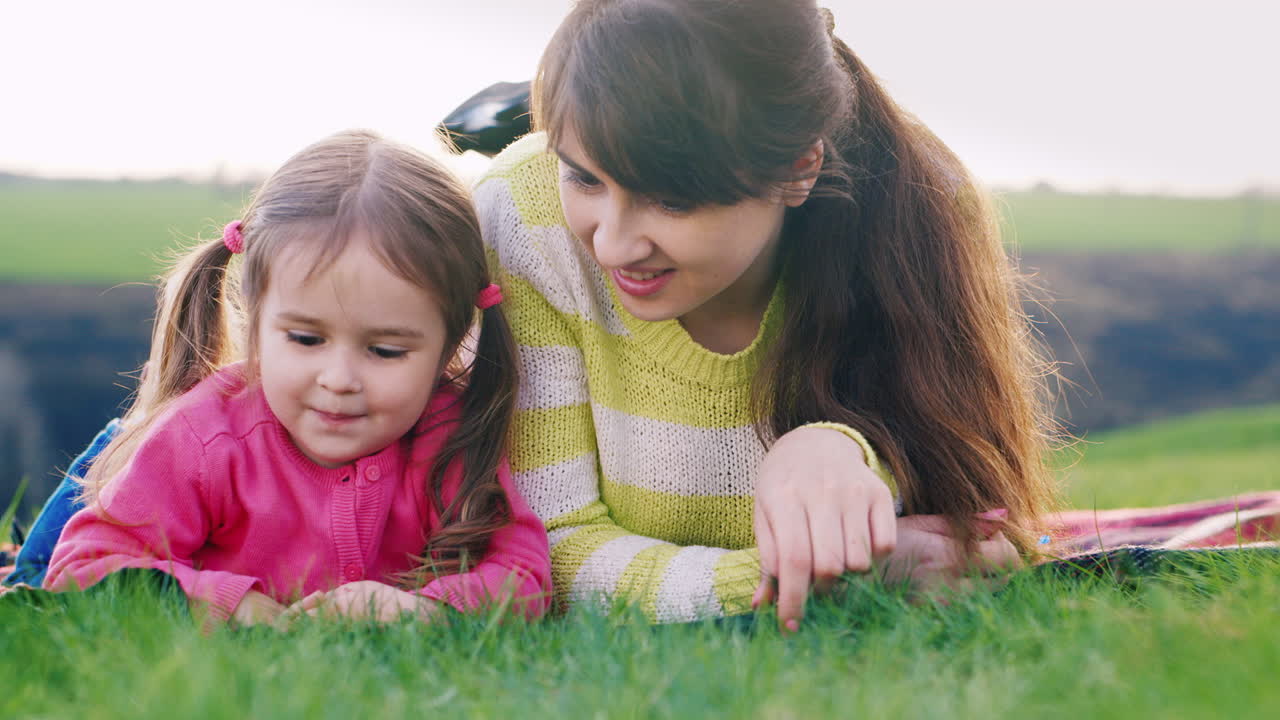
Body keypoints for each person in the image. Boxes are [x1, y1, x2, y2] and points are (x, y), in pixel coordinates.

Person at [473, 0, 1056, 628]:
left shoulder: (915, 206)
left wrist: (840, 451)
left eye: (671, 199)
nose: (612, 245)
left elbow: (983, 531)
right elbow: (543, 551)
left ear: (799, 169)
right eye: (583, 179)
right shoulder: (521, 216)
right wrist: (818, 580)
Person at [41, 130, 551, 626]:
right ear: (258, 320)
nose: (339, 379)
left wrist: (423, 610)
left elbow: (522, 573)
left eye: (386, 350)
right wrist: (224, 603)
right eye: (306, 340)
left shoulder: (450, 434)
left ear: (449, 345)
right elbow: (83, 568)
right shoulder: (204, 439)